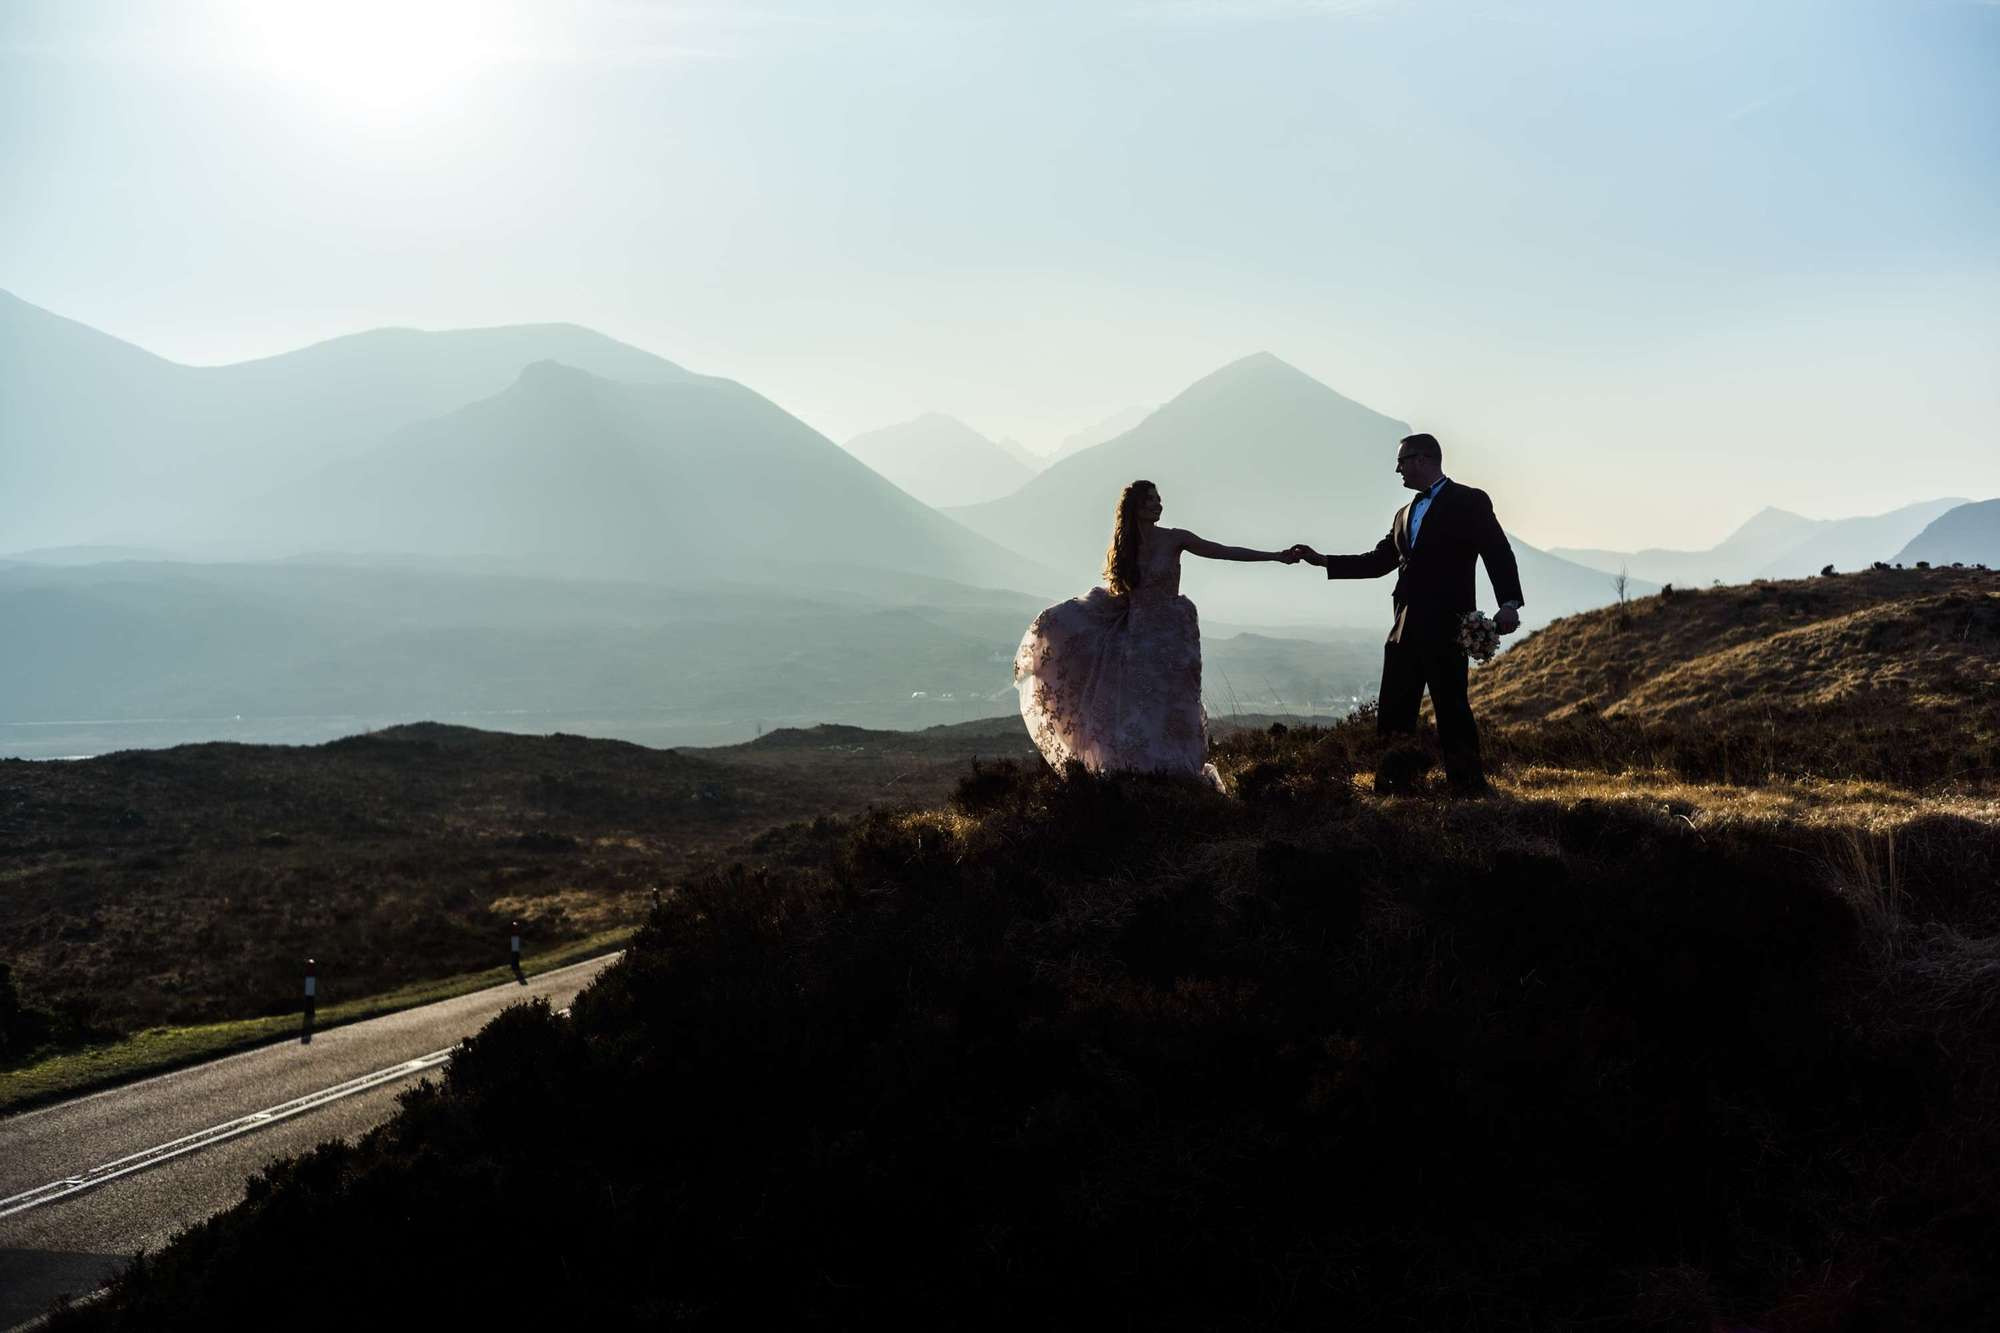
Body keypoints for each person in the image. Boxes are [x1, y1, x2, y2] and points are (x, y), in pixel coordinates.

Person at [1015, 479, 1299, 785]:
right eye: (1151, 500)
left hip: (1174, 635)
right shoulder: (1125, 547)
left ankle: (1179, 771)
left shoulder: (1175, 539)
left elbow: (1222, 551)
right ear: (1135, 507)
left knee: (1178, 704)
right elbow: (1123, 594)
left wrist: (1276, 555)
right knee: (1142, 706)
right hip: (1139, 637)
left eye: (1158, 499)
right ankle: (1148, 773)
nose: (1158, 504)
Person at [1290, 433, 1523, 795]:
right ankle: (1395, 787)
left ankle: (1468, 787)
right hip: (1403, 629)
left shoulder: (1469, 501)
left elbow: (1497, 551)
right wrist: (1322, 560)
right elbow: (1379, 560)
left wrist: (1509, 603)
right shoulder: (1404, 514)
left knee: (1453, 710)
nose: (1397, 468)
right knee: (1394, 711)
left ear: (1423, 459)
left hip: (1448, 627)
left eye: (1402, 461)